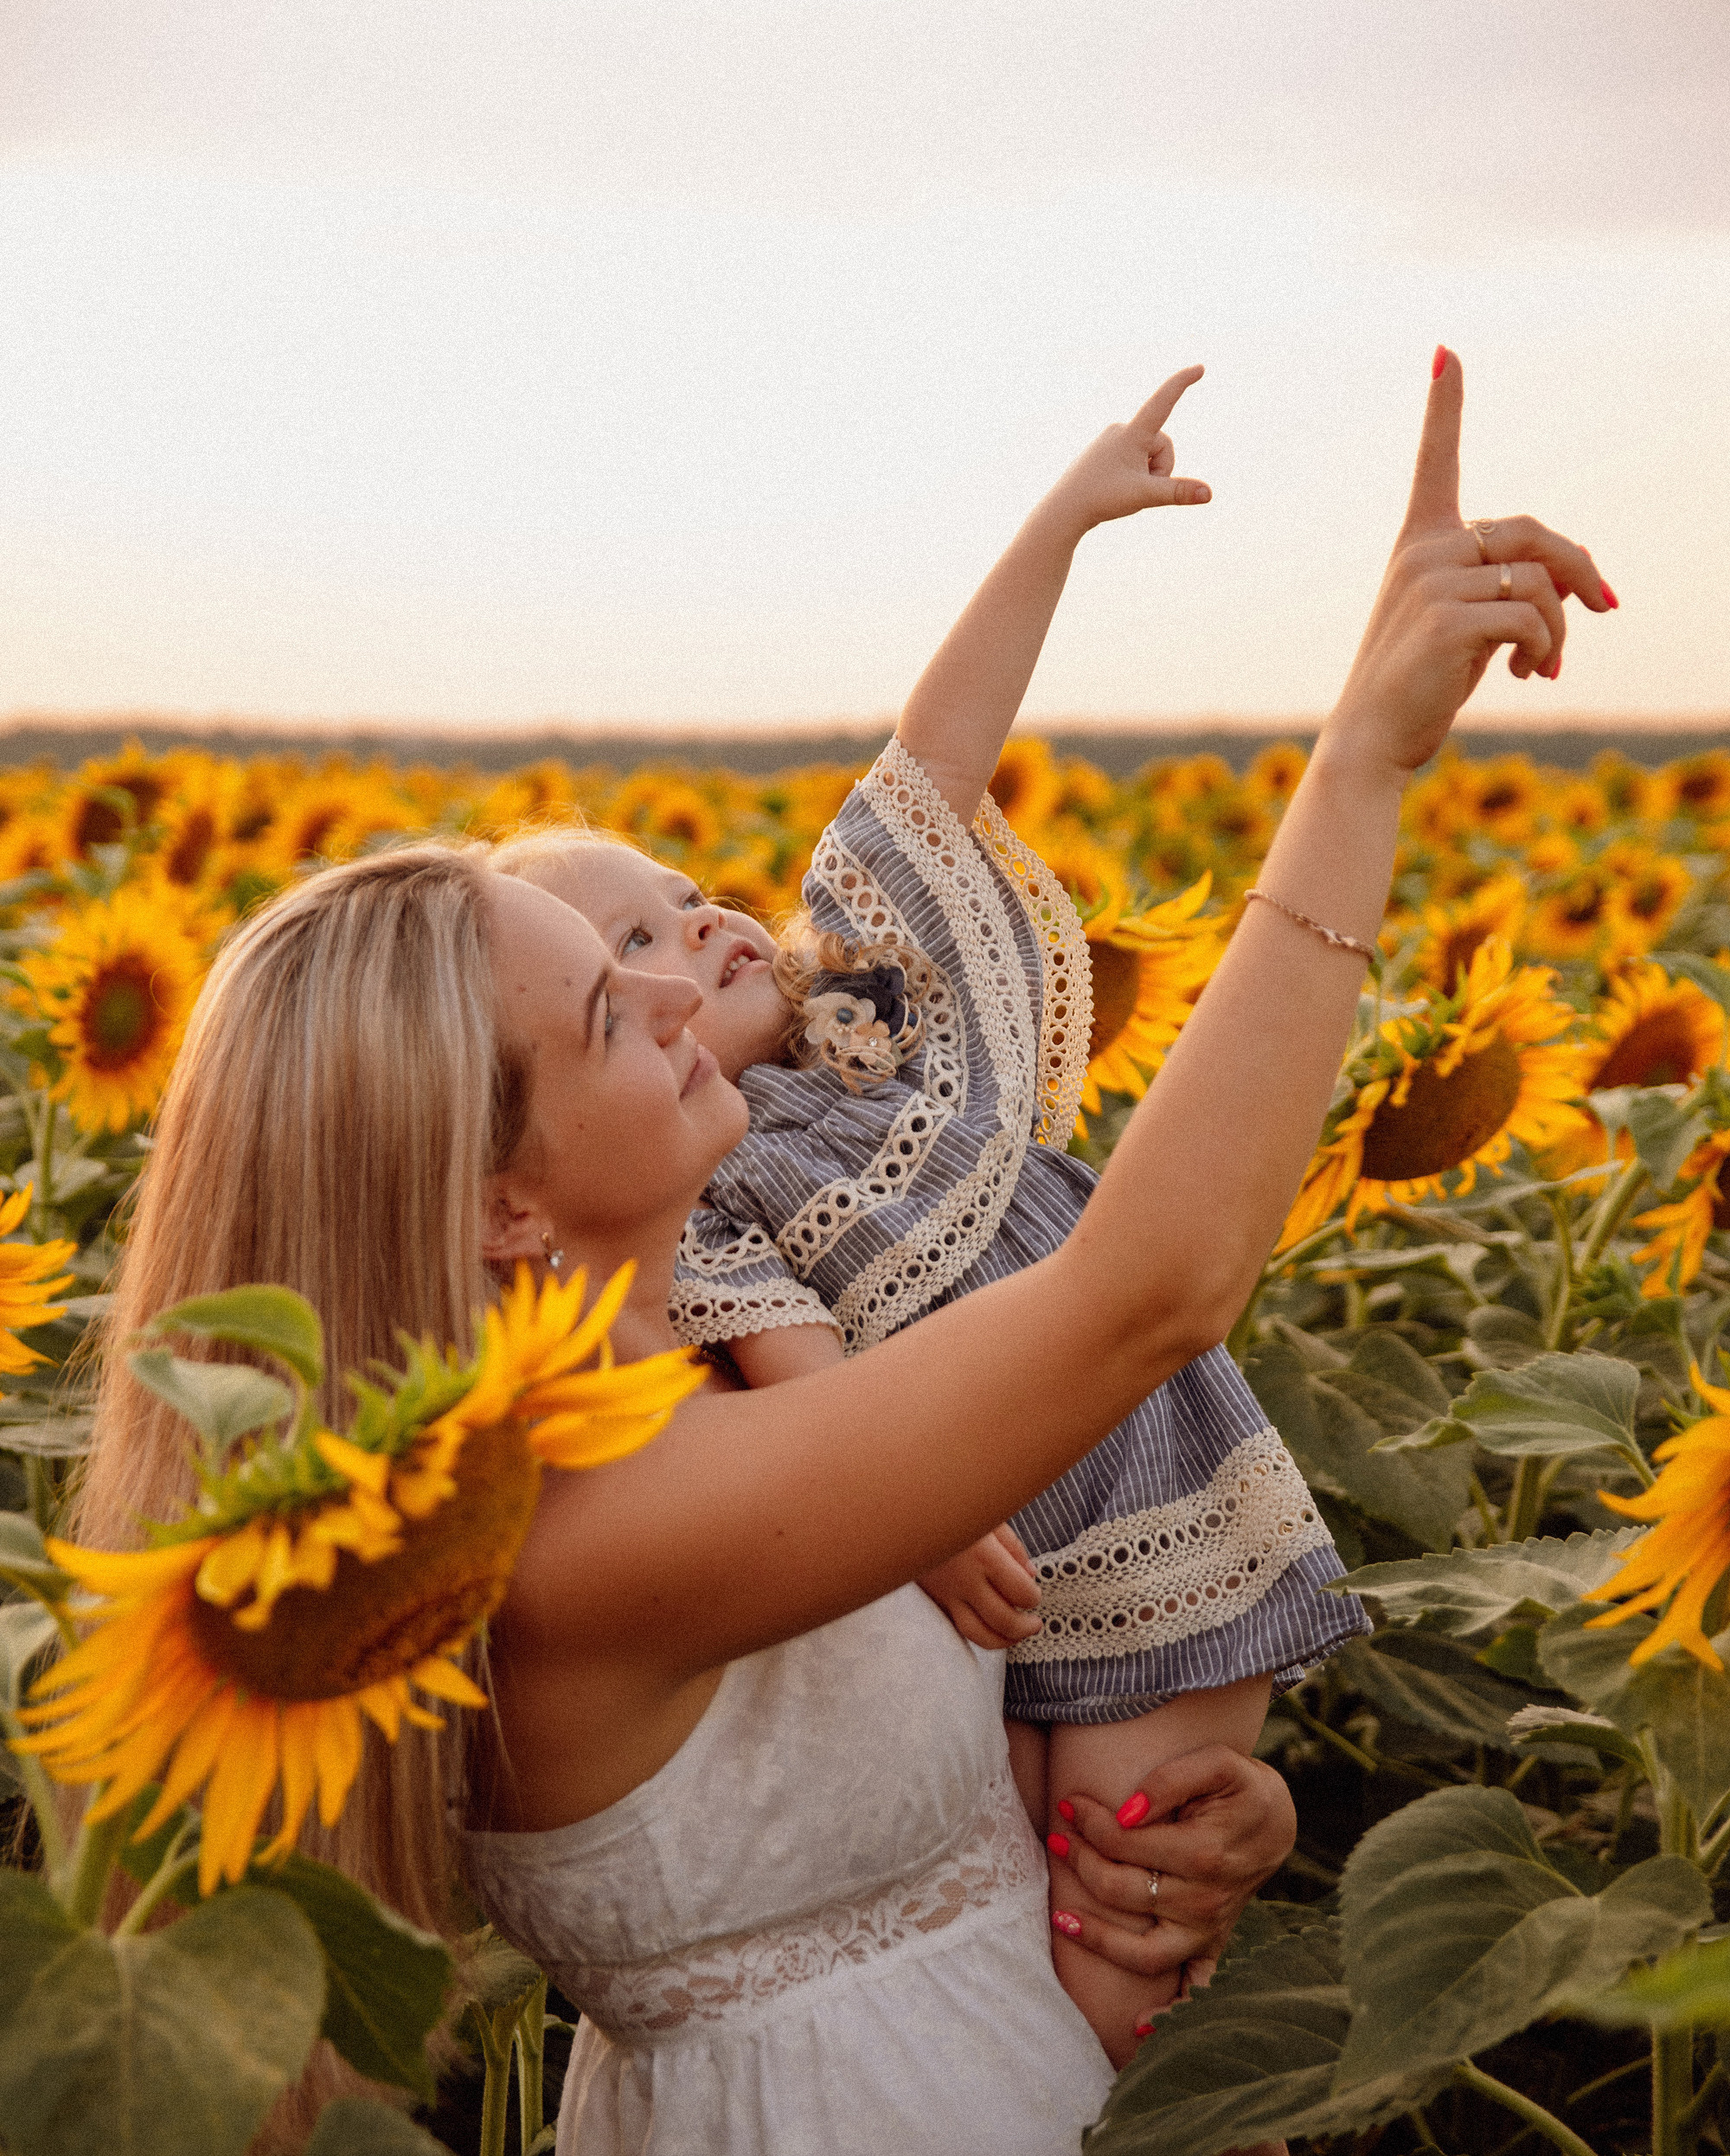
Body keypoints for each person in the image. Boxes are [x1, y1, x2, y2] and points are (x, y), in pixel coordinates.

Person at [69, 350, 1608, 2155]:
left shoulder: (720, 1368)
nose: (677, 978)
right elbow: (1145, 1291)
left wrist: (1185, 1821)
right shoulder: (569, 1525)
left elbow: (909, 1761)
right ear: (495, 1199)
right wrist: (1361, 756)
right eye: (598, 1002)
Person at [489, 364, 1370, 2058]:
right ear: (502, 1178)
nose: (703, 950)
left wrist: (1059, 523)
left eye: (688, 903)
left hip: (1145, 1482)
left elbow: (928, 759)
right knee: (1093, 1935)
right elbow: (834, 1380)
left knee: (1124, 1883)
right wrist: (917, 1500)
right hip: (1021, 1513)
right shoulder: (707, 1220)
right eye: (627, 973)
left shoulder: (856, 1030)